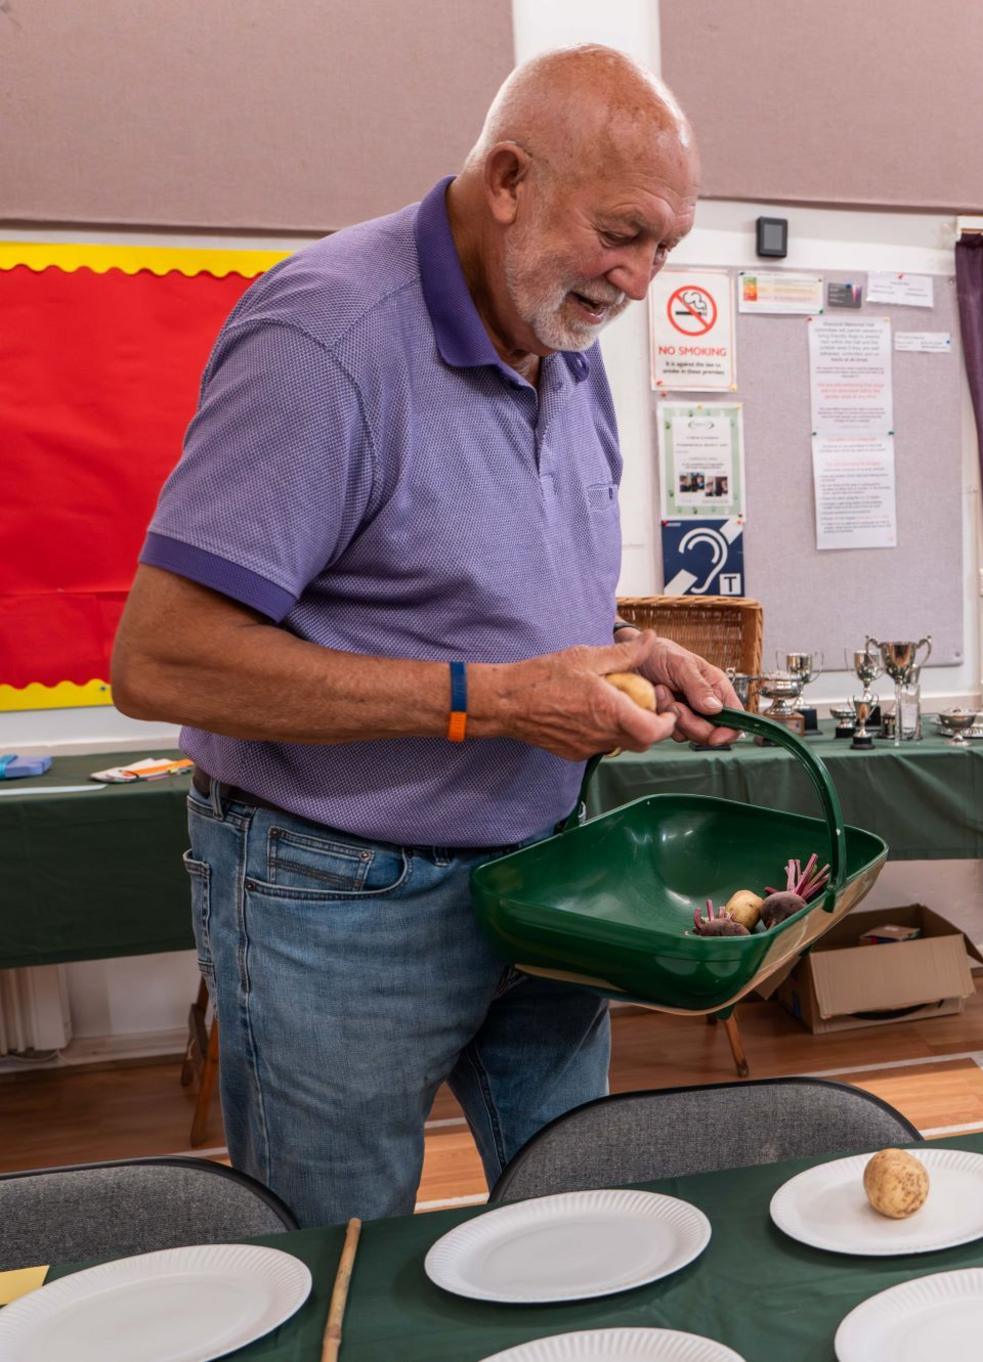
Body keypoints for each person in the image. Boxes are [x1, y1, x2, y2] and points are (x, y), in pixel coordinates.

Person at [108, 47, 741, 1225]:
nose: (642, 279)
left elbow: (479, 587)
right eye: (622, 232)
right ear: (506, 177)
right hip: (335, 894)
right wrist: (496, 702)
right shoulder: (329, 338)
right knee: (335, 1262)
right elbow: (161, 659)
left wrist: (617, 652)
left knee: (581, 1221)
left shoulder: (559, 328)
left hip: (545, 882)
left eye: (666, 248)